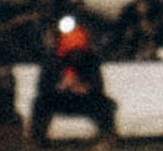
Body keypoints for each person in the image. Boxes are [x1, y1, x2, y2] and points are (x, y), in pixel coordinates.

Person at [30, 9, 115, 143]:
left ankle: (107, 138)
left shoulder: (90, 60)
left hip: (84, 99)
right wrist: (60, 87)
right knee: (40, 103)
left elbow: (98, 85)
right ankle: (37, 140)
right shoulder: (52, 60)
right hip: (60, 99)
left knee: (105, 104)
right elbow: (43, 86)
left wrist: (84, 88)